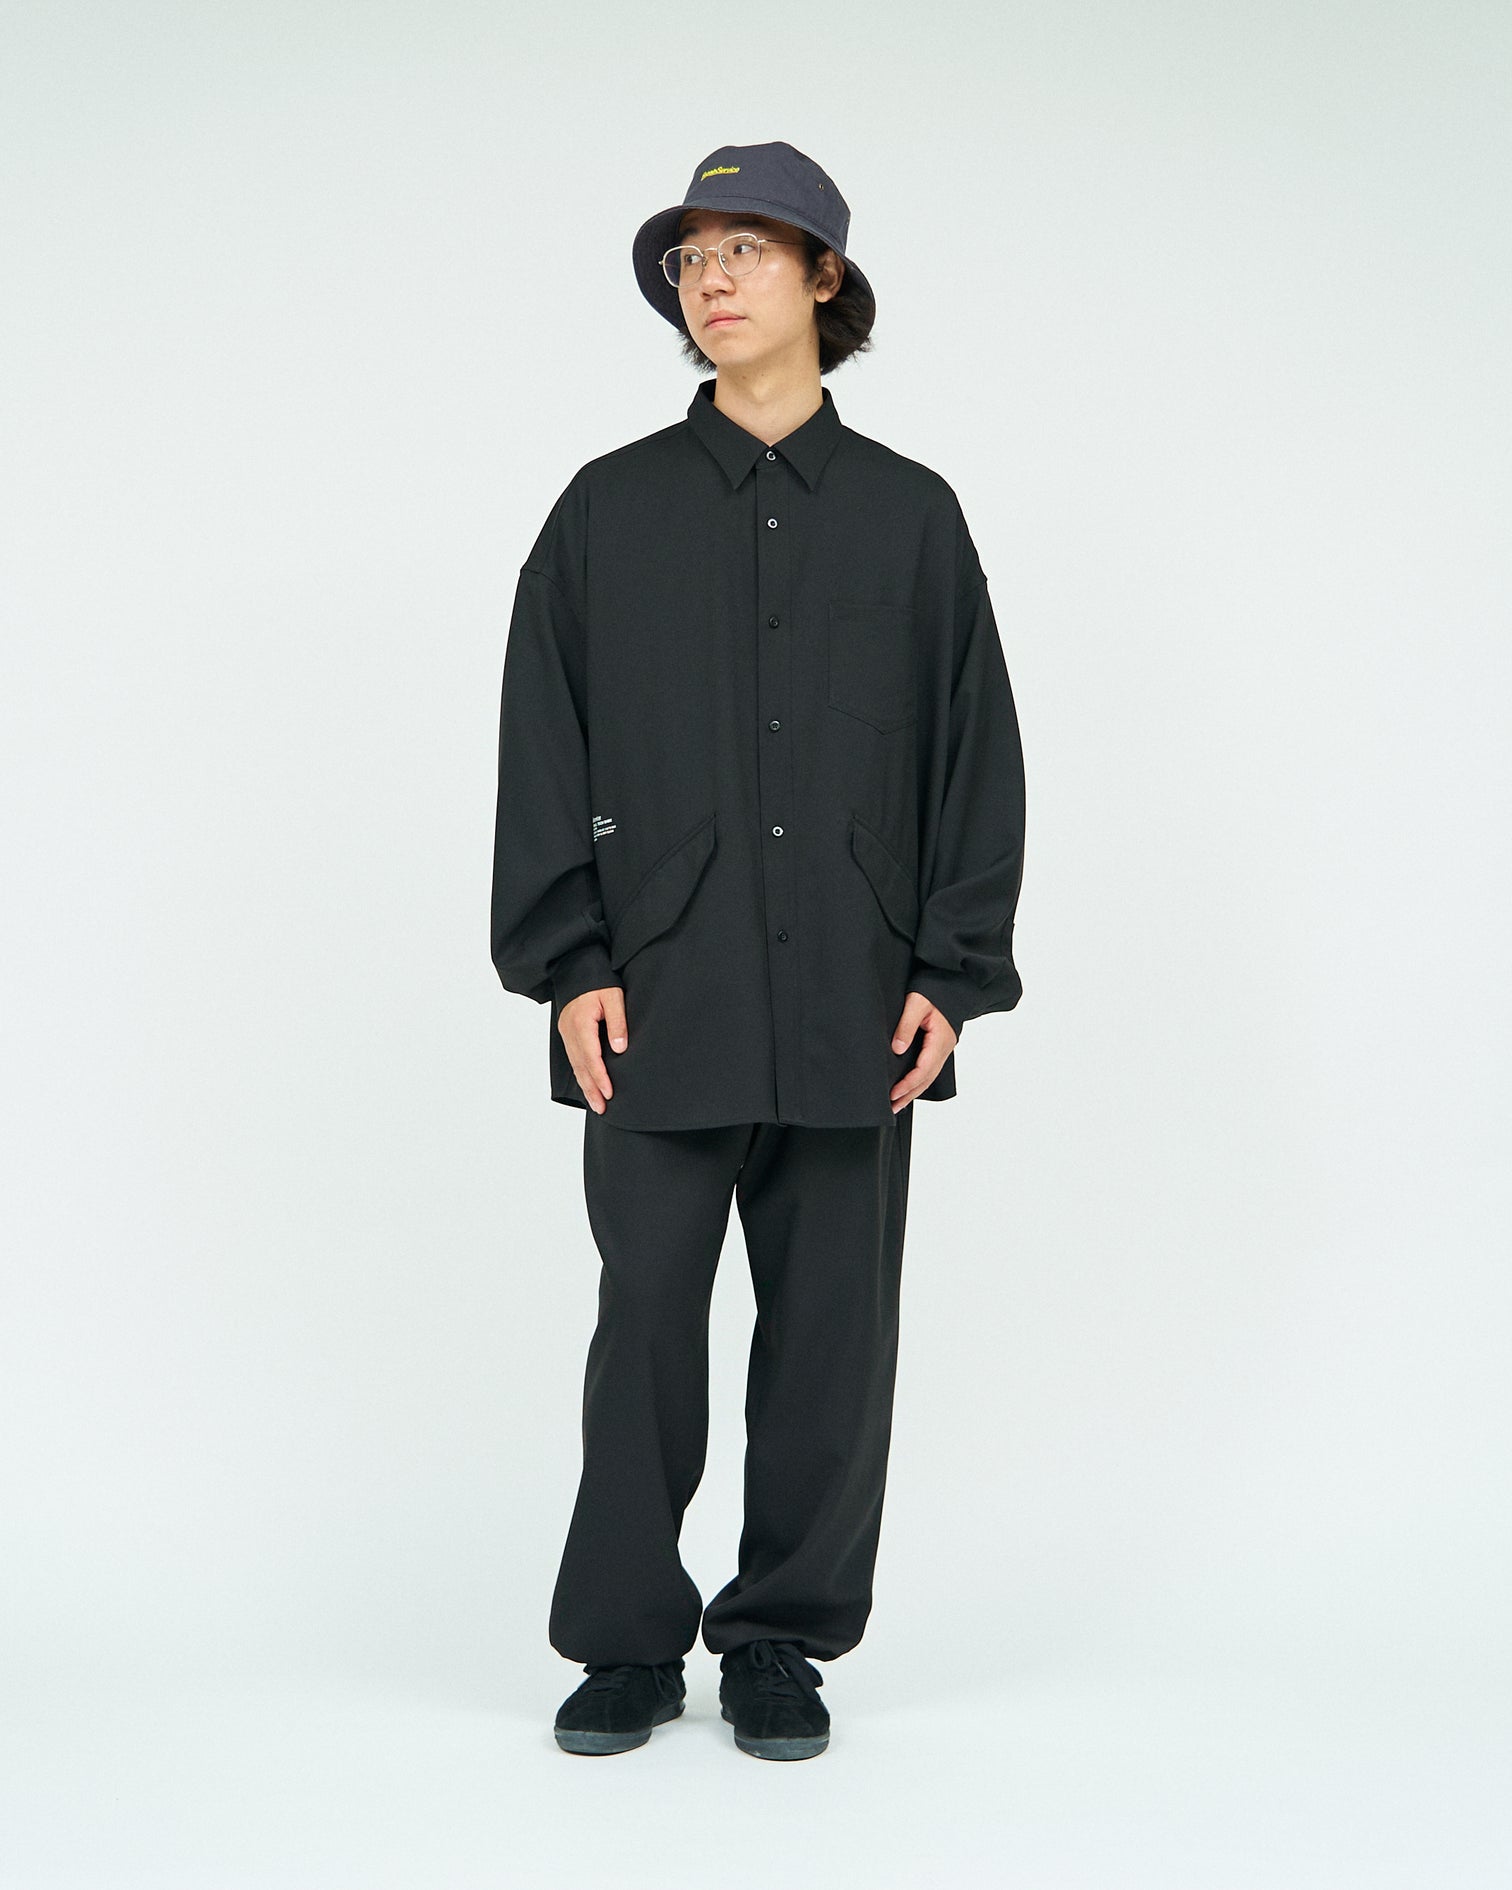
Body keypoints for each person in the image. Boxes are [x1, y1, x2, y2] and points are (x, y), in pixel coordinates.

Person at [490, 141, 1027, 1761]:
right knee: (646, 1328)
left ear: (824, 279)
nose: (710, 279)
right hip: (656, 1001)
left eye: (746, 249)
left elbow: (974, 756)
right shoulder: (607, 511)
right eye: (690, 257)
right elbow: (543, 745)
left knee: (833, 1345)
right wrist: (571, 960)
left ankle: (783, 1638)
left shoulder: (913, 519)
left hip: (861, 1005)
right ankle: (626, 1640)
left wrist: (952, 971)